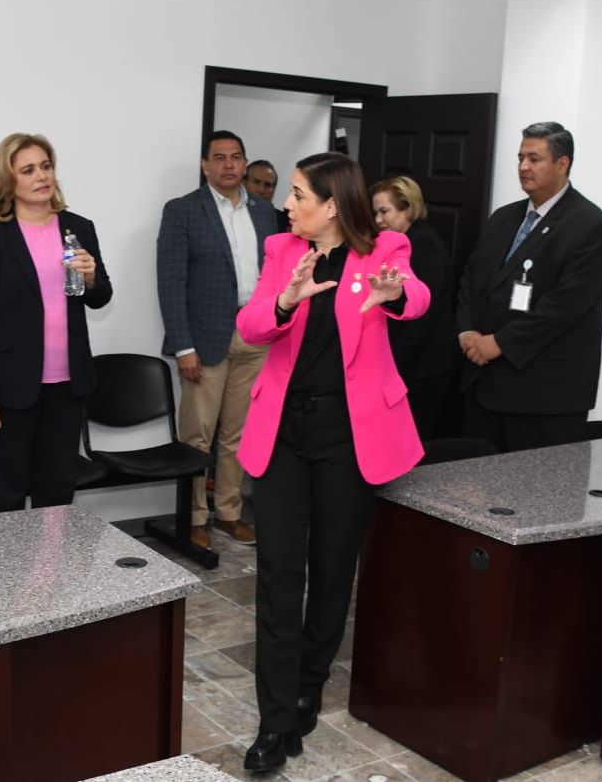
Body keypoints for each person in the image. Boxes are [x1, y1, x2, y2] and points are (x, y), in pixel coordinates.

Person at [235, 152, 429, 772]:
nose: (287, 205)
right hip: (284, 432)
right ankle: (273, 721)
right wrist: (285, 302)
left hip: (349, 435)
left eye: (298, 195)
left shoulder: (384, 248)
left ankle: (309, 684)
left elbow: (416, 295)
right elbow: (251, 326)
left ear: (332, 204)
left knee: (332, 568)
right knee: (278, 574)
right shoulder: (282, 251)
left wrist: (396, 293)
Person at [0, 133, 112, 513]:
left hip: (68, 384)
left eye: (46, 166)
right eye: (28, 170)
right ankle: (5, 557)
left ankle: (52, 556)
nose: (42, 176)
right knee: (7, 491)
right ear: (8, 180)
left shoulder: (78, 227)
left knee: (57, 489)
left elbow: (99, 297)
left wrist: (90, 277)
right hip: (11, 388)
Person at [456, 121, 602, 452]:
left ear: (562, 163)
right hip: (483, 383)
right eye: (520, 158)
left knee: (534, 484)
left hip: (543, 396)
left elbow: (564, 308)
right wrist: (466, 329)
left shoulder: (591, 227)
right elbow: (471, 280)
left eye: (534, 158)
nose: (523, 167)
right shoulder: (503, 218)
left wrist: (500, 343)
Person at [157, 130, 277, 547]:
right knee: (198, 435)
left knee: (238, 433)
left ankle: (229, 513)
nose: (229, 164)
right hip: (203, 341)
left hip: (254, 336)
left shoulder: (265, 211)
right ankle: (192, 517)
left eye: (236, 157)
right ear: (205, 165)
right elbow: (170, 282)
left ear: (245, 163)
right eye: (220, 157)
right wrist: (183, 346)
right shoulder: (182, 210)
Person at [370, 175, 459, 440]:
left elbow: (421, 316)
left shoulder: (423, 245)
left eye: (384, 211)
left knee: (414, 438)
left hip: (424, 365)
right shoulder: (400, 244)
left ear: (408, 208)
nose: (378, 220)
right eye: (375, 213)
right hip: (413, 359)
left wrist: (393, 363)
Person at [245, 159, 290, 232]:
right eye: (256, 182)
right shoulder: (229, 213)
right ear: (243, 183)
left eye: (267, 185)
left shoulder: (284, 222)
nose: (261, 190)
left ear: (273, 190)